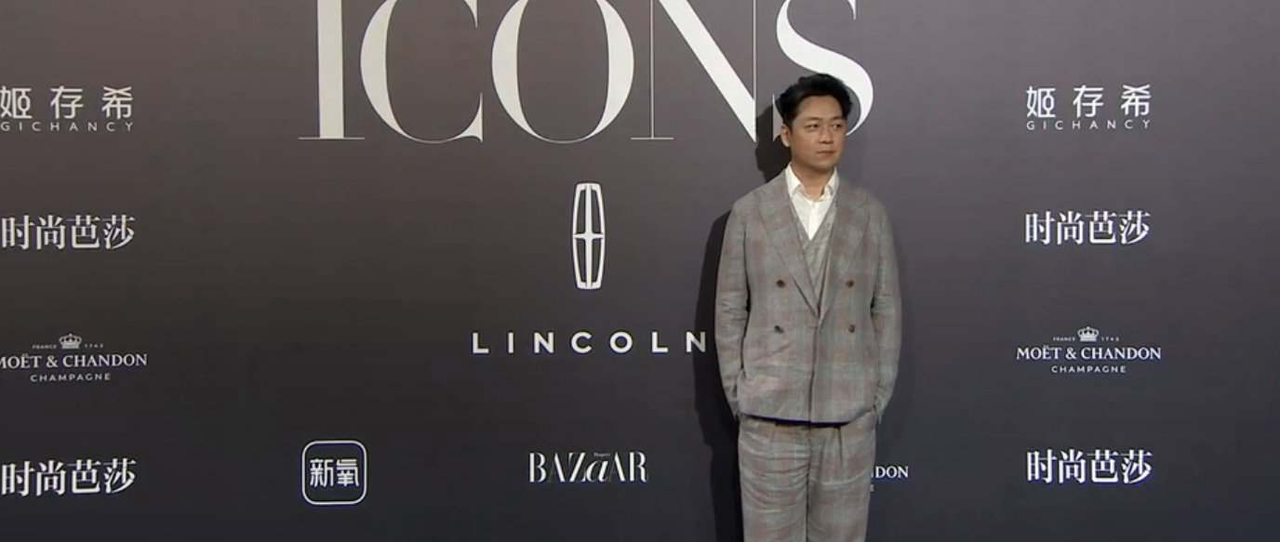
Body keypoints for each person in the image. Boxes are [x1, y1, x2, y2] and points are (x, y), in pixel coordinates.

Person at [714, 73, 902, 541]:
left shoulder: (868, 214)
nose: (827, 137)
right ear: (786, 134)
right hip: (769, 416)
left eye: (836, 126)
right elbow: (730, 309)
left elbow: (885, 309)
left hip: (847, 416)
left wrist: (873, 399)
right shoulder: (750, 213)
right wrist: (743, 395)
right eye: (814, 126)